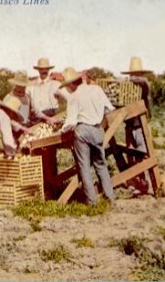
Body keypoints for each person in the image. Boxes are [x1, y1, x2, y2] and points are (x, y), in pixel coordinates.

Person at [59, 67, 116, 205]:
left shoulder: (74, 96)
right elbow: (109, 108)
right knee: (101, 164)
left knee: (84, 167)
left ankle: (92, 201)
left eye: (67, 86)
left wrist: (62, 130)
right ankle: (110, 196)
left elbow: (71, 123)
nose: (68, 89)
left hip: (83, 131)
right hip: (97, 130)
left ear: (72, 84)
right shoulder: (96, 89)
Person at [121, 56, 153, 194]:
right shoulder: (127, 89)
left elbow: (144, 82)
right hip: (129, 127)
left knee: (141, 156)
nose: (134, 77)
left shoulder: (144, 85)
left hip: (140, 127)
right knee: (131, 156)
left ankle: (144, 185)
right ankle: (136, 183)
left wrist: (131, 79)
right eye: (132, 74)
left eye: (136, 74)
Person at [26, 58, 63, 125]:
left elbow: (69, 97)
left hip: (53, 116)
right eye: (41, 69)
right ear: (38, 70)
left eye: (46, 69)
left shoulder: (56, 84)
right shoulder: (30, 86)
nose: (44, 71)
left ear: (49, 69)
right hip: (37, 119)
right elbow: (26, 104)